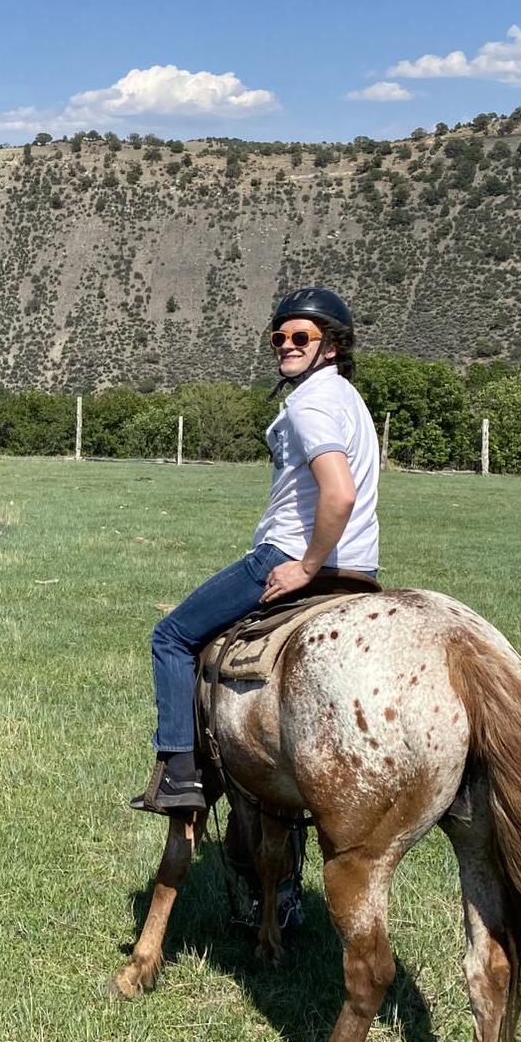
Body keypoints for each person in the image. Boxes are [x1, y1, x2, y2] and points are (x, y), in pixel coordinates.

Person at [133, 287, 380, 815]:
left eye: (300, 337)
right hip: (361, 566)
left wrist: (306, 565)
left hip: (290, 555)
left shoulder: (310, 402)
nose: (286, 346)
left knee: (172, 636)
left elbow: (339, 492)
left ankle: (178, 771)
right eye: (279, 337)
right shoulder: (349, 400)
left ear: (331, 347)